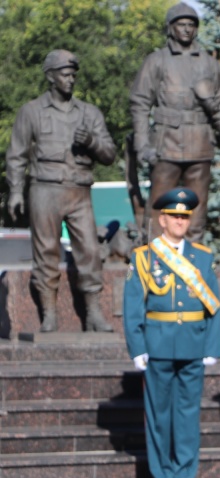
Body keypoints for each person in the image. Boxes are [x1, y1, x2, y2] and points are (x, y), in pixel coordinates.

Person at [6, 49, 116, 333]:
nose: (71, 80)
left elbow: (109, 154)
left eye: (73, 75)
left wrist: (92, 141)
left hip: (79, 191)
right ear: (50, 77)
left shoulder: (89, 113)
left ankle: (93, 312)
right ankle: (50, 313)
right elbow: (16, 155)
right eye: (65, 75)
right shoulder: (31, 111)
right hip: (44, 189)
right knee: (46, 252)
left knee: (91, 251)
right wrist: (16, 191)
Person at [123, 187, 220, 478]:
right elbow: (132, 307)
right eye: (174, 216)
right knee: (158, 412)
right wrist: (137, 347)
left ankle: (184, 471)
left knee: (188, 411)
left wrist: (212, 346)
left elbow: (214, 306)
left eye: (184, 216)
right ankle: (162, 472)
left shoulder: (202, 257)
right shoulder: (144, 257)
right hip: (158, 344)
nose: (180, 221)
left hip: (193, 343)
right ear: (162, 219)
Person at [130, 2, 220, 243]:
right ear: (170, 28)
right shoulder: (156, 61)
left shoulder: (209, 63)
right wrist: (142, 143)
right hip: (166, 143)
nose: (186, 29)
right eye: (181, 24)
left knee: (197, 209)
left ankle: (193, 258)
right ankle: (153, 256)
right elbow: (140, 102)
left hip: (200, 144)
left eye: (191, 25)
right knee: (159, 205)